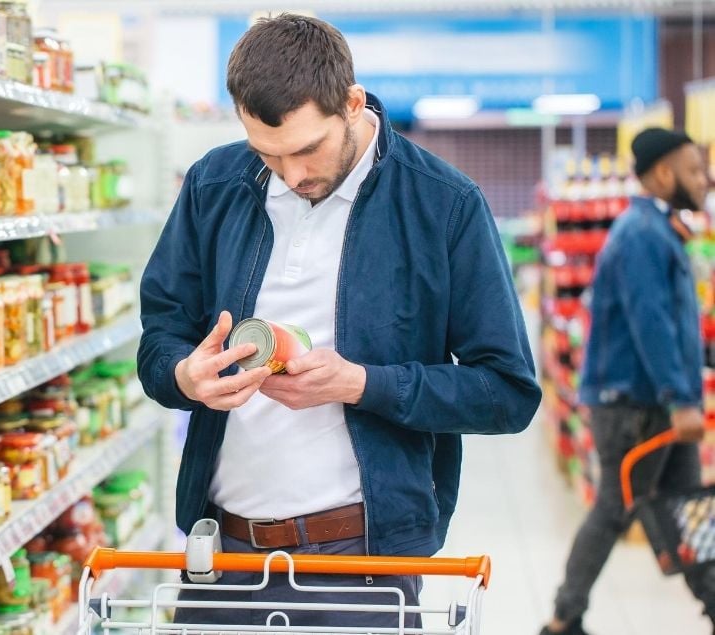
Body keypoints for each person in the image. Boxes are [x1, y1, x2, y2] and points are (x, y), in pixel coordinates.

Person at [137, 13, 541, 630]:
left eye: (305, 149)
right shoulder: (214, 185)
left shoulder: (443, 205)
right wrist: (185, 376)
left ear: (352, 103)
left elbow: (507, 394)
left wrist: (360, 384)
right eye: (266, 154)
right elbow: (159, 337)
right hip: (222, 557)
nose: (290, 175)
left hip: (361, 563)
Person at [541, 128, 714, 635]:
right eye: (695, 169)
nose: (704, 179)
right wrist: (681, 398)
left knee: (688, 509)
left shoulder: (657, 229)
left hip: (655, 402)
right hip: (634, 406)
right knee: (615, 511)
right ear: (663, 173)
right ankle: (562, 618)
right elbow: (651, 322)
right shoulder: (641, 235)